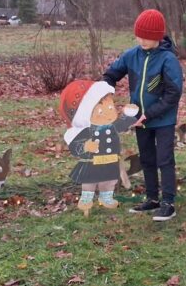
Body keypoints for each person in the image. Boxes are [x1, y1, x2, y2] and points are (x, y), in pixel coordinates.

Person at [102, 9, 183, 221]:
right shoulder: (132, 55)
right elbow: (111, 73)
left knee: (164, 160)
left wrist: (149, 114)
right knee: (147, 159)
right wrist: (104, 89)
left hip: (162, 119)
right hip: (139, 120)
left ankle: (168, 202)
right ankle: (152, 198)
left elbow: (173, 93)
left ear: (158, 36)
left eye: (147, 36)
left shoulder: (168, 59)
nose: (142, 40)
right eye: (139, 35)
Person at [58, 80, 139, 216]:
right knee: (90, 181)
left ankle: (106, 196)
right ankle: (86, 198)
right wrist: (85, 146)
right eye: (101, 111)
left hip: (110, 160)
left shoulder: (112, 127)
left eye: (110, 108)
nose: (108, 114)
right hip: (92, 162)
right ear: (86, 115)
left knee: (109, 181)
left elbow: (121, 125)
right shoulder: (86, 131)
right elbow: (74, 146)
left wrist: (128, 115)